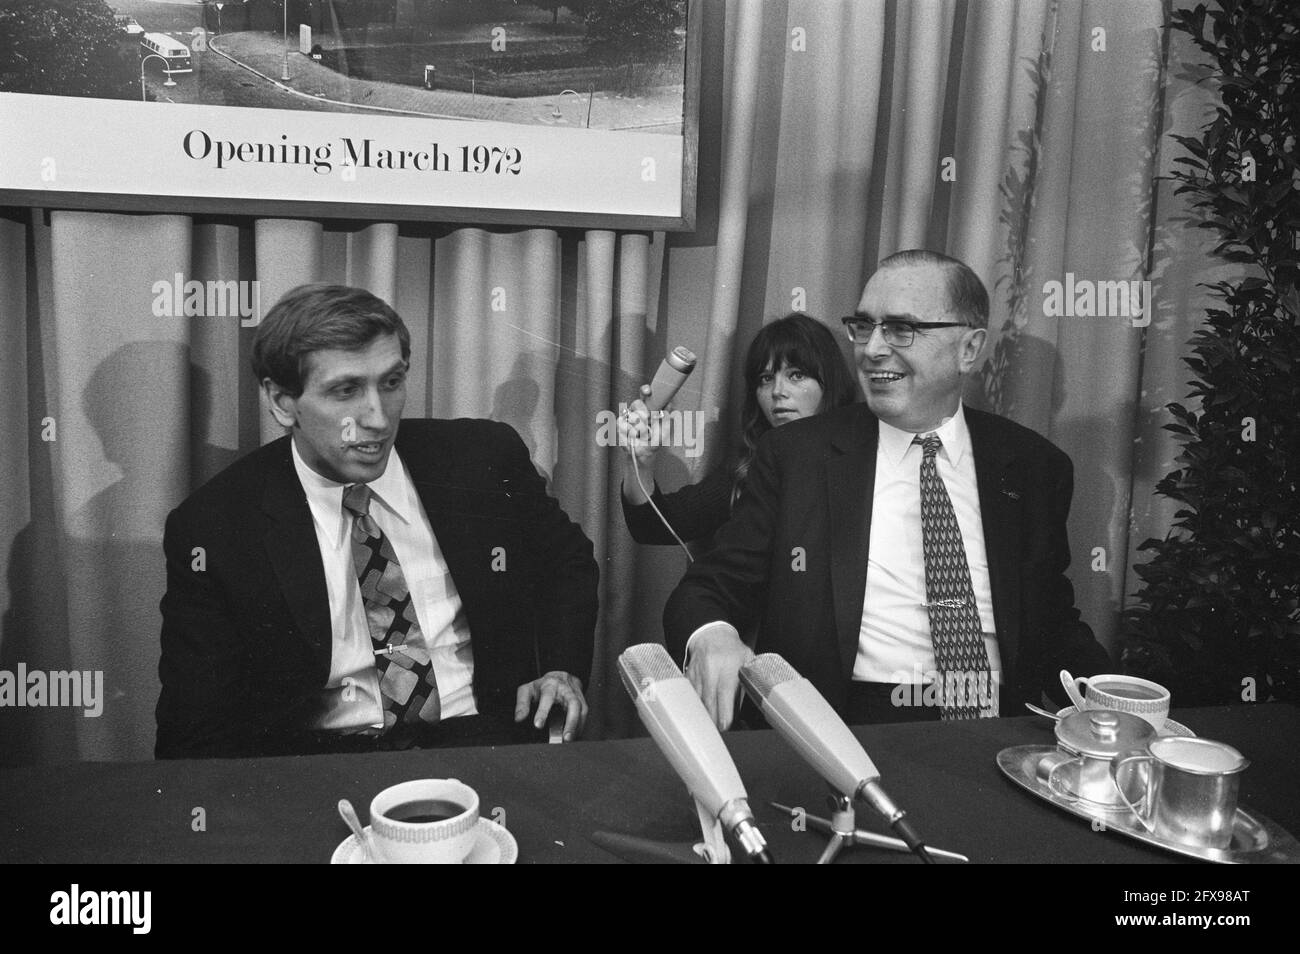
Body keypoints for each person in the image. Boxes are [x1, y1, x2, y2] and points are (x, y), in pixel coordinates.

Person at [663, 250, 1110, 728]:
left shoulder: (1033, 467)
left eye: (901, 329)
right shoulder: (796, 457)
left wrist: (1118, 702)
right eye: (863, 326)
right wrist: (712, 634)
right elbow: (710, 587)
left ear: (969, 348)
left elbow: (1051, 620)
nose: (872, 348)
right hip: (843, 725)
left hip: (992, 725)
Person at [156, 284, 598, 758]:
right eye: (345, 391)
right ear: (283, 403)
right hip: (324, 761)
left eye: (391, 382)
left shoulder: (482, 460)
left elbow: (567, 564)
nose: (377, 418)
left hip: (480, 739)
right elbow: (195, 732)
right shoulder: (216, 527)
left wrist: (559, 668)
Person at [617, 313, 858, 546]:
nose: (777, 391)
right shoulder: (750, 472)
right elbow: (652, 527)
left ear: (829, 384)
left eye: (796, 375)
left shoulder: (861, 464)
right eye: (765, 378)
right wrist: (640, 459)